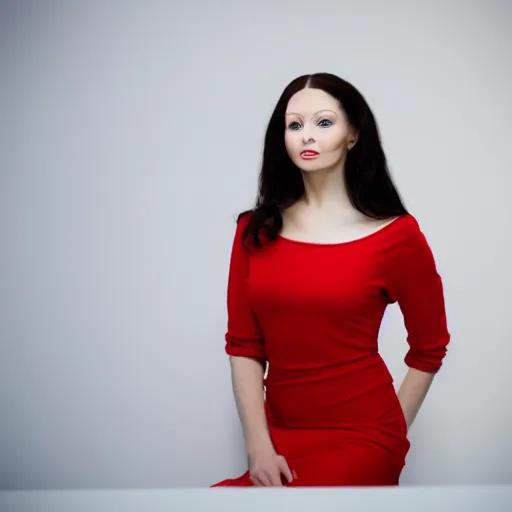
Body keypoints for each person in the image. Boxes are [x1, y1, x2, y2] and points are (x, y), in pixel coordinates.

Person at [210, 72, 451, 487]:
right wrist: (258, 446)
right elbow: (244, 345)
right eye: (294, 125)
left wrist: (393, 433)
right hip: (278, 437)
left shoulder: (396, 236)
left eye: (323, 122)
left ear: (353, 134)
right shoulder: (254, 231)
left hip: (364, 436)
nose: (307, 136)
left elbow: (429, 349)